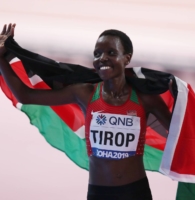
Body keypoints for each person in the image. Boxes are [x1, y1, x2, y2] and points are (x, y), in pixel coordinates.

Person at [0, 23, 172, 200]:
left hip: (135, 192)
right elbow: (25, 96)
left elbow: (181, 135)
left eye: (111, 53)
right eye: (97, 54)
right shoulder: (84, 93)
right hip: (98, 193)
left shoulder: (145, 99)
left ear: (127, 58)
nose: (102, 58)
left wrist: (181, 95)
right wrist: (1, 59)